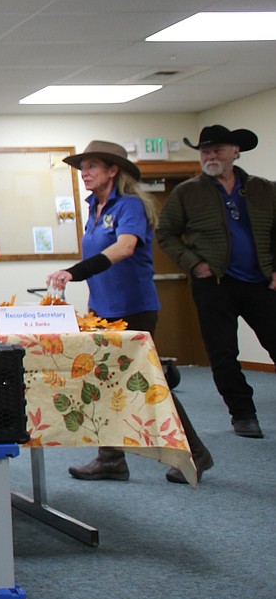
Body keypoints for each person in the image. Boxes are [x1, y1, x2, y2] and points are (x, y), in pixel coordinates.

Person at [47, 141, 214, 484]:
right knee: (104, 383)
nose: (85, 173)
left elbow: (124, 248)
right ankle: (110, 458)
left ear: (113, 170)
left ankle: (195, 452)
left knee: (152, 386)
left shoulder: (130, 206)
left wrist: (73, 272)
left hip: (134, 309)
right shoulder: (94, 209)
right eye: (83, 168)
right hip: (102, 309)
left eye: (93, 166)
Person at [157, 124, 276, 439]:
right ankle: (243, 413)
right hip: (214, 286)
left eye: (217, 150)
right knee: (223, 353)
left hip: (260, 283)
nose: (210, 156)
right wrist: (193, 264)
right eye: (205, 151)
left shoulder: (265, 189)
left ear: (235, 152)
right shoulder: (187, 192)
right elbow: (166, 233)